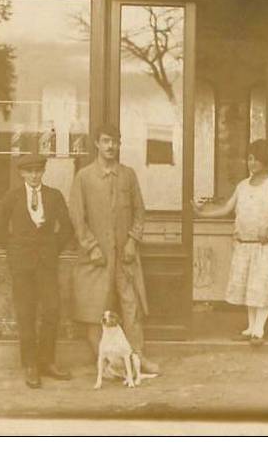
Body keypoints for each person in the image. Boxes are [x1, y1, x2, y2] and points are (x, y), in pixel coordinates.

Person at [68, 124, 160, 374]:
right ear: (96, 144)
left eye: (115, 141)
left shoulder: (128, 175)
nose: (111, 146)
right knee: (95, 308)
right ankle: (107, 365)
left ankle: (137, 359)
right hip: (96, 257)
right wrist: (91, 246)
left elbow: (140, 211)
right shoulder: (84, 177)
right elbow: (77, 216)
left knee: (131, 307)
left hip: (125, 256)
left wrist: (132, 240)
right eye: (106, 141)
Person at [193, 139, 268, 346]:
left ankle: (259, 331)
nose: (251, 163)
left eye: (255, 159)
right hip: (244, 244)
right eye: (249, 159)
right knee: (248, 286)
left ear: (265, 161)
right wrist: (203, 213)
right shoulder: (243, 185)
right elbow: (227, 209)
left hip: (264, 245)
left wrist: (266, 226)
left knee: (261, 285)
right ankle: (250, 328)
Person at [0, 153, 74, 388]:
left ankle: (47, 361)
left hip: (47, 264)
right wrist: (15, 250)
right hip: (22, 266)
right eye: (30, 171)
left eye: (38, 171)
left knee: (52, 310)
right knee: (26, 313)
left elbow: (67, 228)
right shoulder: (12, 197)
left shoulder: (54, 196)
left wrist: (52, 249)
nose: (35, 175)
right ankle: (30, 365)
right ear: (22, 173)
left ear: (43, 172)